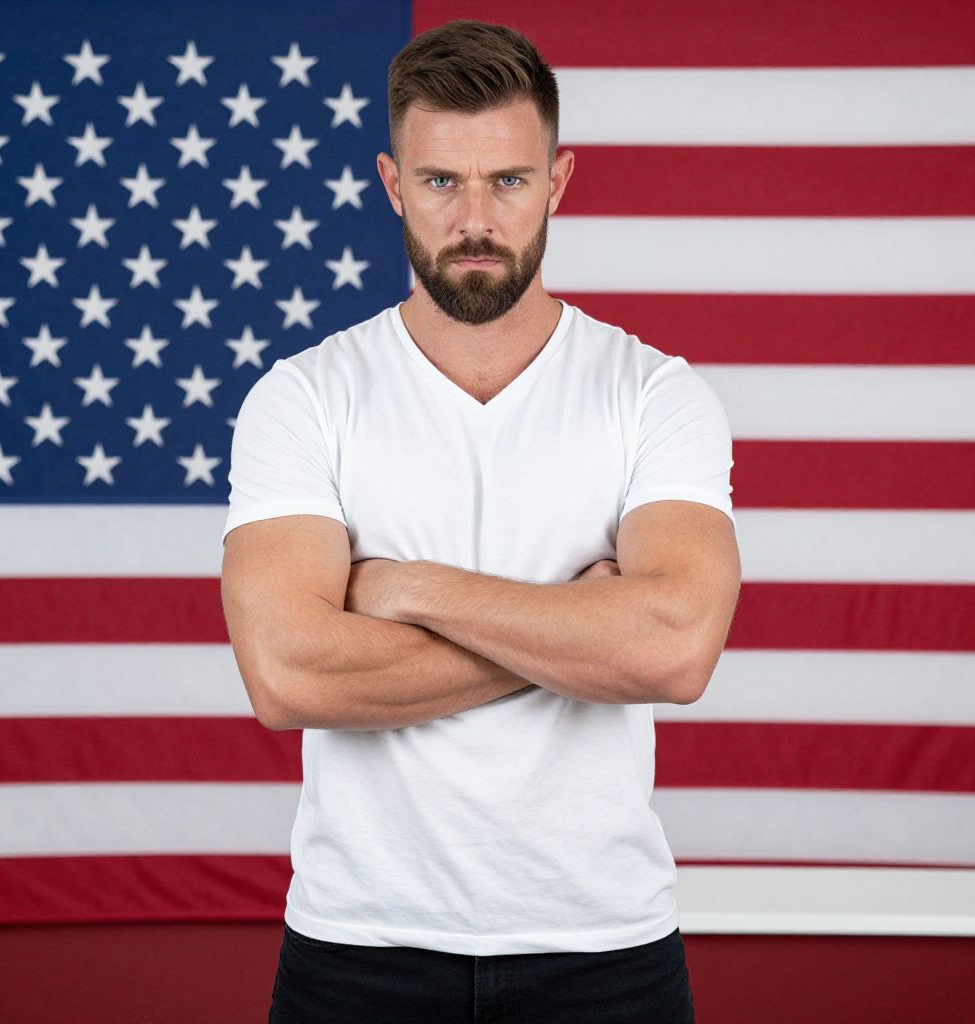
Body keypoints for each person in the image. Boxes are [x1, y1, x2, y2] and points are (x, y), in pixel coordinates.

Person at [220, 17, 741, 1024]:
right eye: (438, 182)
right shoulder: (304, 397)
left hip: (602, 945)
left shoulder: (654, 394)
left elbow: (674, 651)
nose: (473, 218)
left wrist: (407, 588)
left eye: (506, 180)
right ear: (390, 183)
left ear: (558, 180)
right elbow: (287, 676)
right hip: (359, 945)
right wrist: (576, 628)